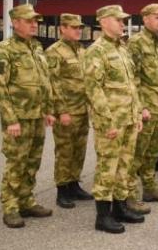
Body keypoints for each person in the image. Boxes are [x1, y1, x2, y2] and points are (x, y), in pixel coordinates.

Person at [0, 4, 56, 228]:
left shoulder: (37, 48)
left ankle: (27, 200)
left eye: (35, 21)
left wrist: (48, 110)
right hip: (18, 118)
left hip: (37, 116)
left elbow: (45, 82)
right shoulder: (4, 50)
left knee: (33, 161)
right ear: (15, 22)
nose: (34, 24)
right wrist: (11, 120)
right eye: (29, 21)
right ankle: (10, 206)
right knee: (16, 162)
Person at [83, 5, 144, 233]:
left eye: (123, 20)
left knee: (124, 166)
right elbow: (93, 89)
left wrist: (137, 113)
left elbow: (132, 86)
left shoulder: (123, 49)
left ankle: (120, 207)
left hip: (128, 118)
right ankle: (102, 216)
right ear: (104, 21)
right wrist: (107, 121)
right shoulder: (96, 51)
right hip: (111, 122)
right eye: (118, 20)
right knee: (107, 167)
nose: (122, 23)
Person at [126, 3, 158, 209]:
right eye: (157, 17)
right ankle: (128, 195)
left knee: (154, 152)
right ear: (145, 19)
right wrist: (141, 107)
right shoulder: (136, 43)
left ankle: (149, 186)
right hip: (147, 109)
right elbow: (133, 78)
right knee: (136, 154)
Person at [45, 13, 93, 209]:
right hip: (67, 111)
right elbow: (53, 84)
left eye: (79, 27)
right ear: (62, 29)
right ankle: (62, 189)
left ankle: (74, 184)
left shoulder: (82, 51)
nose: (78, 30)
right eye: (73, 27)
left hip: (82, 110)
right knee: (65, 151)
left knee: (79, 150)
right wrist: (61, 111)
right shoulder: (54, 52)